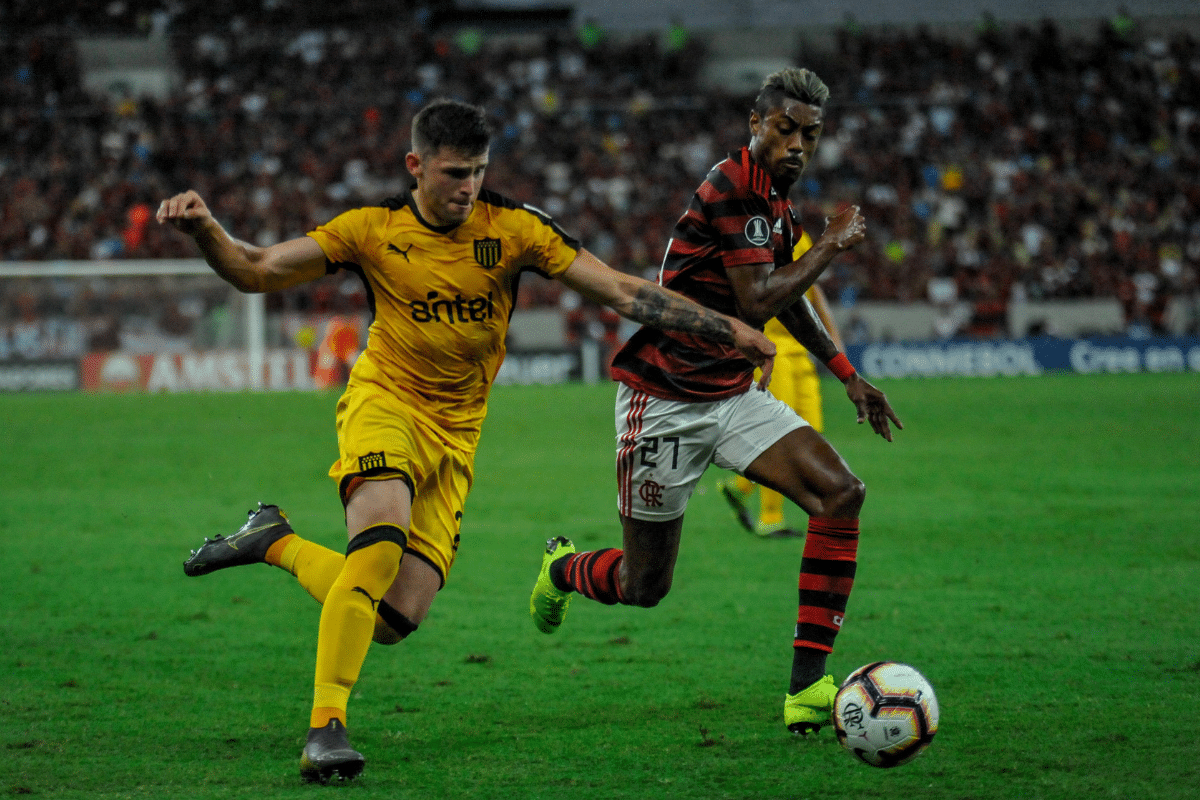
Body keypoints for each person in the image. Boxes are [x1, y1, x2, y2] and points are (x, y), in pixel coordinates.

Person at [158, 98, 776, 784]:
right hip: (385, 404)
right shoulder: (371, 229)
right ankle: (325, 728)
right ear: (415, 165)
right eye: (455, 173)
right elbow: (257, 269)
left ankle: (272, 540)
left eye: (479, 171)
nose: (469, 186)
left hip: (456, 436)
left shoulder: (515, 229)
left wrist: (728, 329)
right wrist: (206, 230)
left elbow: (623, 292)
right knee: (378, 544)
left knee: (393, 617)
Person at [528, 68, 901, 737]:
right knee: (645, 585)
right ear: (755, 124)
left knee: (840, 493)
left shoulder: (776, 204)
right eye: (784, 129)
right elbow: (757, 301)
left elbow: (783, 300)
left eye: (810, 135)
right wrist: (831, 246)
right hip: (664, 401)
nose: (797, 145)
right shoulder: (733, 188)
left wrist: (846, 373)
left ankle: (806, 688)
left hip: (731, 394)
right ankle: (563, 568)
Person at [717, 232, 845, 537]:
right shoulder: (752, 232)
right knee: (779, 436)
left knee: (811, 433)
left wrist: (833, 339)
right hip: (770, 348)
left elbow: (813, 289)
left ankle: (739, 487)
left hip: (800, 349)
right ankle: (770, 517)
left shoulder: (799, 235)